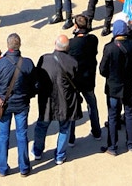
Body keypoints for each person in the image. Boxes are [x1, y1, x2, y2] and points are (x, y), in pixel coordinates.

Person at [0, 33, 36, 177]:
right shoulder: (27, 63)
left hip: (4, 105)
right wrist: (28, 95)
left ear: (8, 46)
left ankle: (2, 168)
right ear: (19, 45)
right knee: (22, 135)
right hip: (21, 104)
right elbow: (36, 85)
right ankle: (24, 167)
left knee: (3, 136)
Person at [32, 35, 82, 166]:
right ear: (68, 48)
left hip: (47, 100)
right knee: (64, 128)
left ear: (55, 44)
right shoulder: (73, 62)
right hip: (65, 102)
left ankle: (37, 151)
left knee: (41, 126)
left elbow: (37, 78)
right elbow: (77, 82)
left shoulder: (44, 59)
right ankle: (60, 156)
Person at [99, 19, 132, 156]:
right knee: (129, 114)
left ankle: (112, 147)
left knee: (113, 116)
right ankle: (131, 144)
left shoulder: (109, 47)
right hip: (128, 85)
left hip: (113, 87)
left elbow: (102, 70)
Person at [68, 14, 101, 143]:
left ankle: (71, 138)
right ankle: (97, 131)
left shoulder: (71, 43)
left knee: (72, 109)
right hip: (88, 79)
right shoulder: (93, 40)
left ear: (76, 26)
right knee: (92, 105)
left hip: (74, 81)